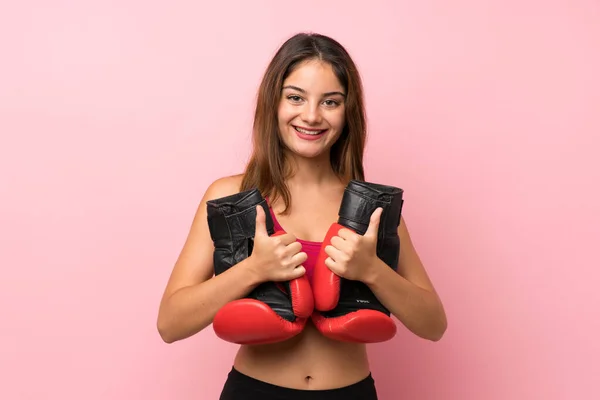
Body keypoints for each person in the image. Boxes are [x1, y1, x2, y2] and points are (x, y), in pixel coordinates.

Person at [157, 32, 447, 399]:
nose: (311, 116)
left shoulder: (371, 208)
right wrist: (253, 269)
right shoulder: (231, 197)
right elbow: (170, 323)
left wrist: (371, 271)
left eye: (330, 101)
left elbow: (434, 324)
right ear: (273, 103)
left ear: (348, 111)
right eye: (295, 97)